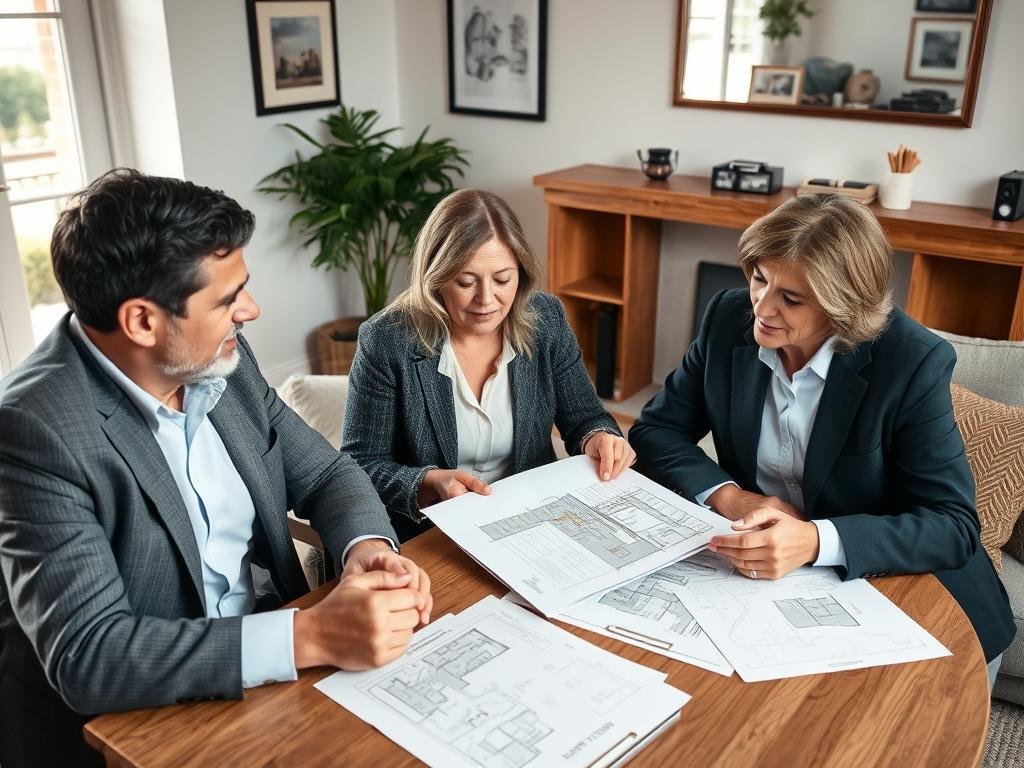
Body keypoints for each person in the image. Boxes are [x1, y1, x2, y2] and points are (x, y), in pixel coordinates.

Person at [0, 169, 432, 767]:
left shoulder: (217, 356)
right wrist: (308, 635)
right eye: (227, 300)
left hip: (279, 666)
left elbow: (327, 475)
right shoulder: (34, 429)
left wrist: (367, 549)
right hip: (136, 724)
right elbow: (89, 655)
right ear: (142, 322)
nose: (250, 312)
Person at [630, 193, 1014, 683]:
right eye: (759, 278)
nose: (762, 309)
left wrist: (814, 539)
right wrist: (734, 497)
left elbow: (953, 526)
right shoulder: (727, 318)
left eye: (791, 299)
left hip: (911, 588)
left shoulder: (911, 362)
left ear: (842, 307)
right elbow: (657, 431)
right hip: (783, 585)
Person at [343, 188, 635, 541]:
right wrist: (429, 482)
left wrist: (600, 437)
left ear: (521, 274)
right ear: (434, 278)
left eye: (502, 279)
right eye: (465, 281)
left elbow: (585, 417)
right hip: (434, 531)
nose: (486, 300)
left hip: (534, 520)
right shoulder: (387, 341)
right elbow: (361, 464)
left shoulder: (547, 319)